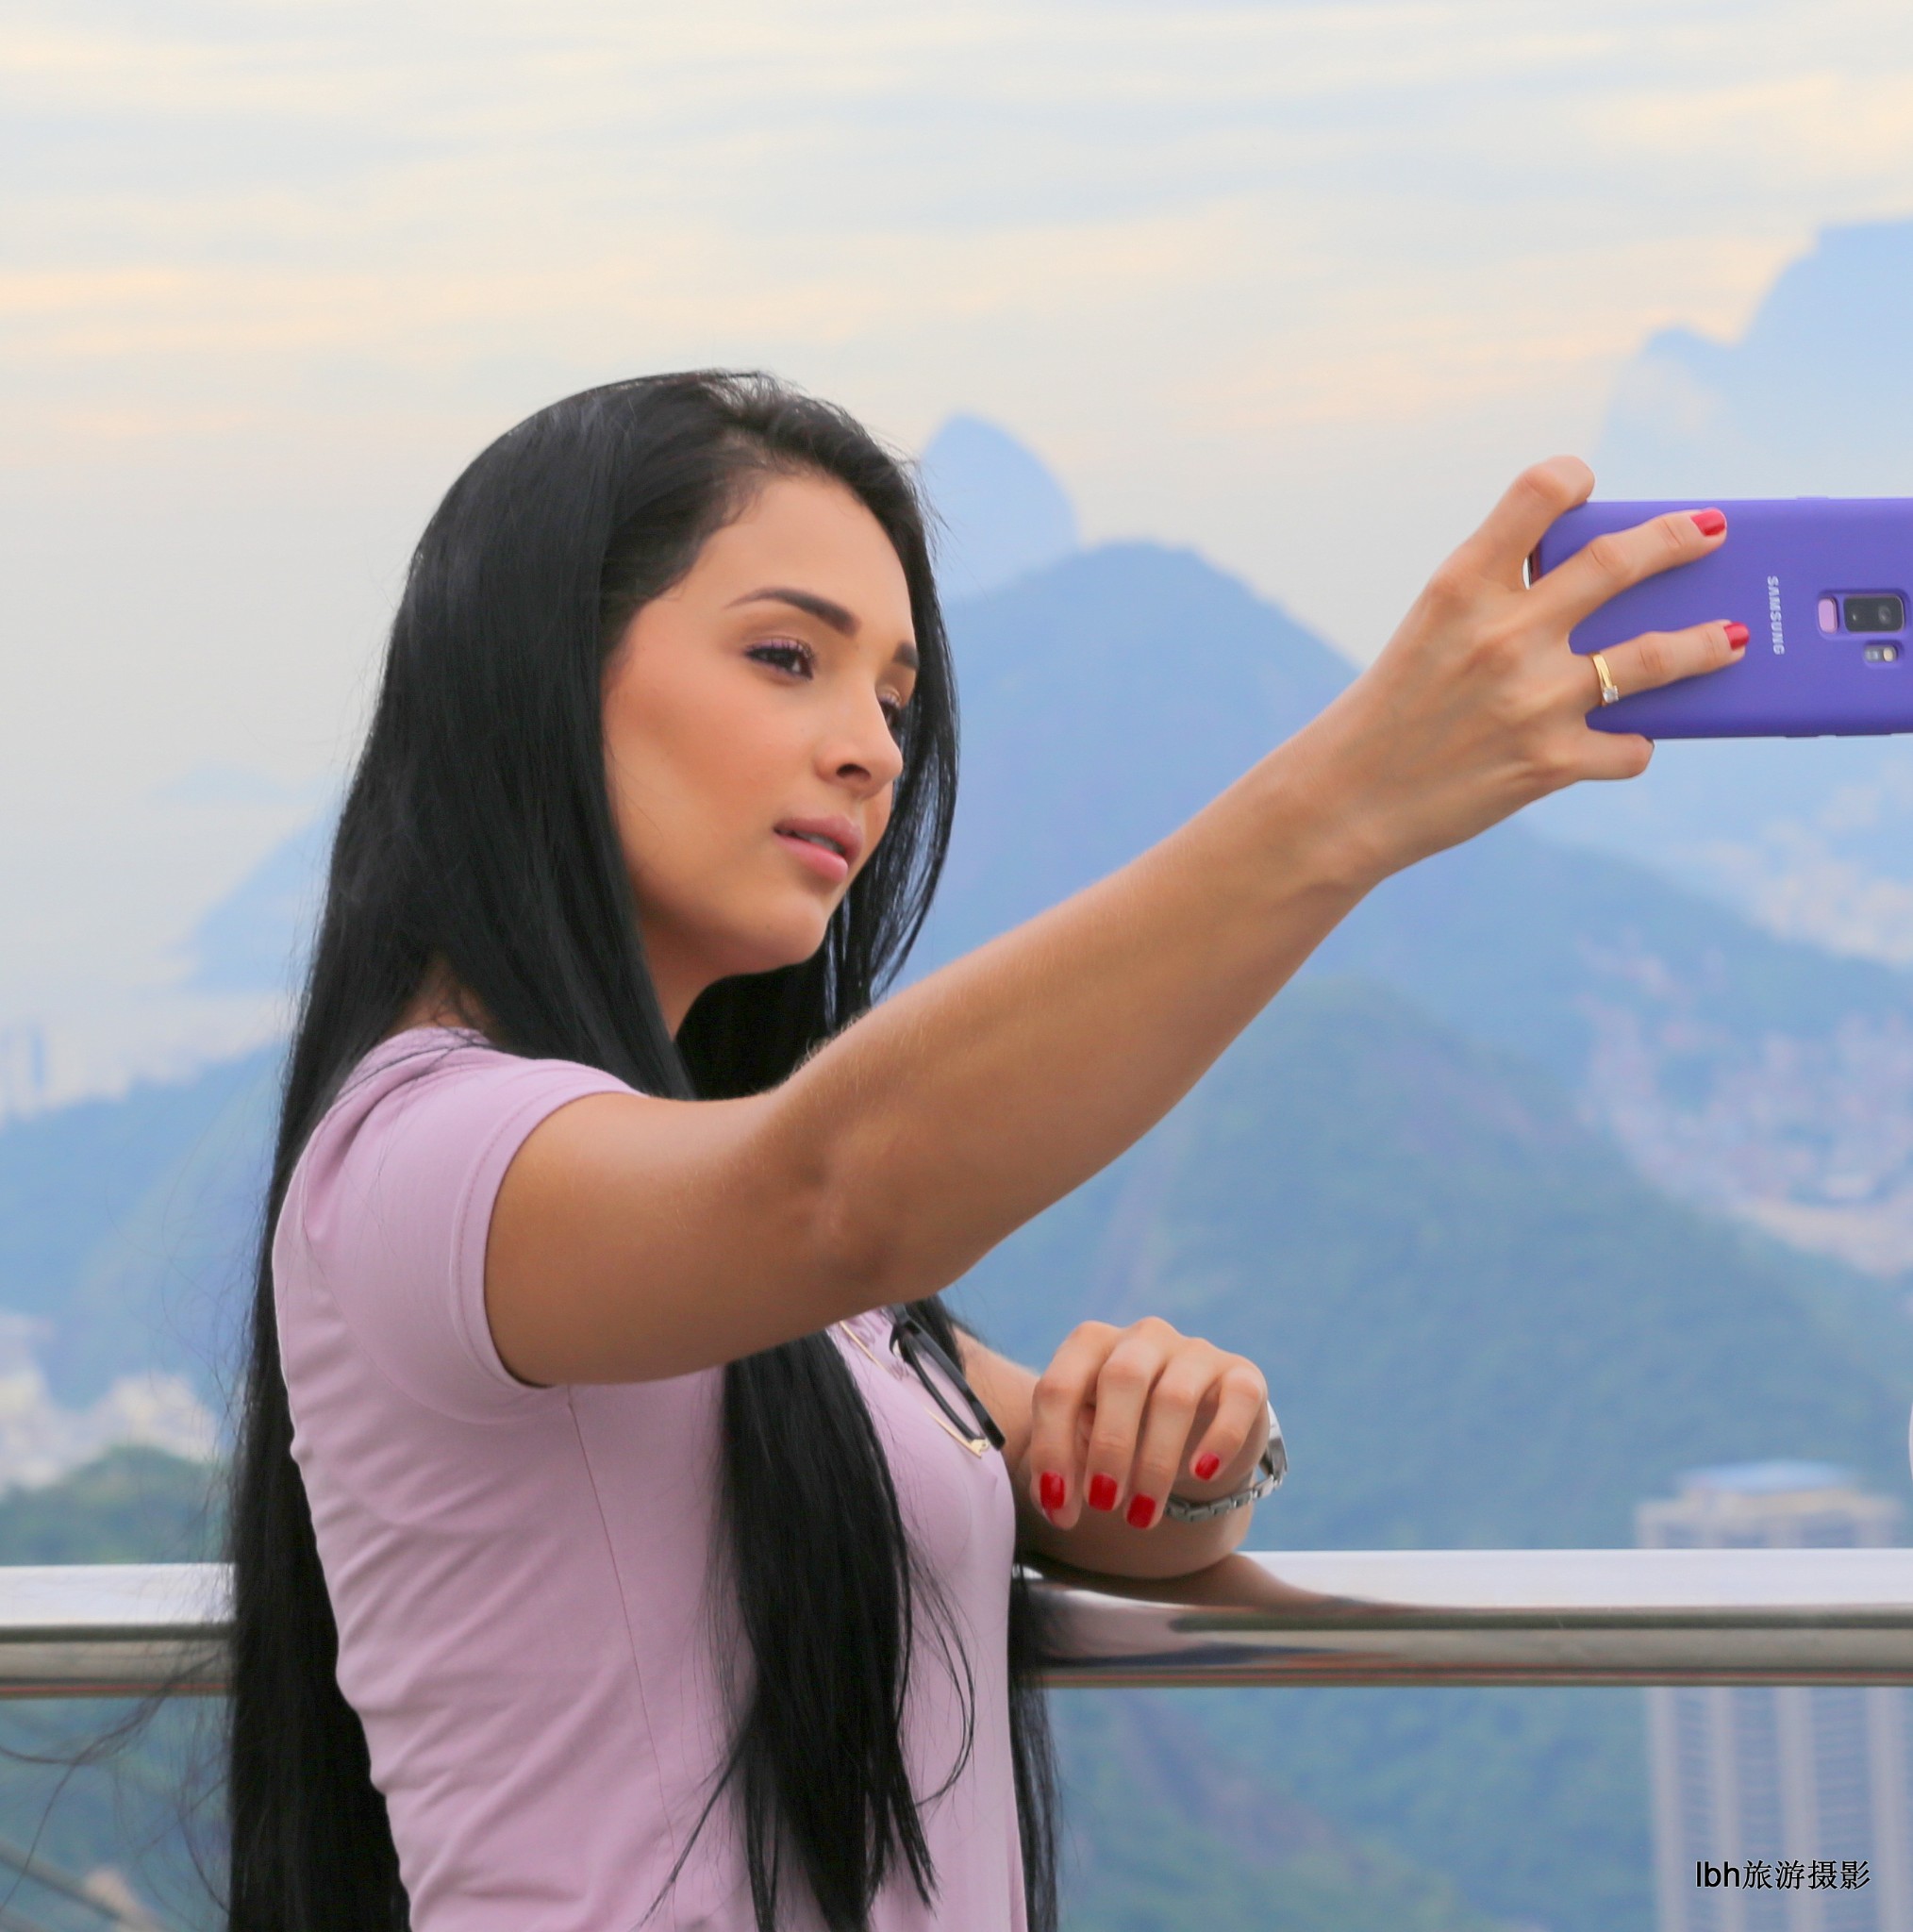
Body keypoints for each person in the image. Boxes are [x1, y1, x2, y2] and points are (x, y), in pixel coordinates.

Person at [229, 371, 1745, 1932]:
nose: (872, 753)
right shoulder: (426, 1160)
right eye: (786, 658)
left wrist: (1196, 1445)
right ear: (540, 673)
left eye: (894, 701)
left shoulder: (731, 1247)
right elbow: (838, 1192)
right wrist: (1359, 791)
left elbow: (1089, 1497)